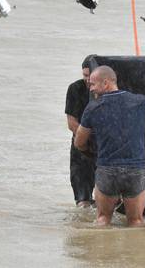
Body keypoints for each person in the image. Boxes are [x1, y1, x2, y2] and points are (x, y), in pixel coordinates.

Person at [74, 65, 145, 226]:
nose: (91, 88)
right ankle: (134, 251)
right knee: (136, 221)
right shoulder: (140, 101)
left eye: (93, 84)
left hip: (106, 169)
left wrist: (89, 151)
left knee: (102, 219)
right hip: (134, 171)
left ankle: (101, 250)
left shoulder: (93, 107)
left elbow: (79, 142)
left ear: (106, 82)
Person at [65, 58, 95, 207]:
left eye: (90, 76)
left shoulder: (108, 90)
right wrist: (87, 141)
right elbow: (72, 123)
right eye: (84, 75)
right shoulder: (75, 89)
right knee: (82, 197)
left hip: (104, 146)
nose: (87, 80)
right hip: (81, 144)